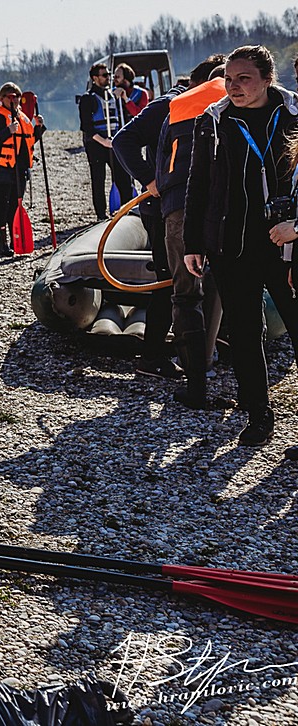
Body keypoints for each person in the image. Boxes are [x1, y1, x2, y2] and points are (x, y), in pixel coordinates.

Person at [184, 45, 298, 447]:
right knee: (247, 335)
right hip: (232, 246)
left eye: (244, 79)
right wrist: (193, 243)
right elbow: (198, 185)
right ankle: (258, 413)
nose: (234, 87)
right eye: (229, 80)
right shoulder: (213, 121)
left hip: (287, 246)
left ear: (268, 79)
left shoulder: (293, 115)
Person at [154, 56, 230, 409]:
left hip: (179, 209)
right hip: (229, 208)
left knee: (185, 296)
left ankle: (196, 386)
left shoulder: (178, 104)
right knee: (240, 292)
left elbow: (162, 164)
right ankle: (248, 391)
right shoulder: (248, 99)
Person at [112, 71, 189, 381]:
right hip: (162, 208)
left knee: (183, 279)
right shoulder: (168, 106)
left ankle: (198, 347)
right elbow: (123, 141)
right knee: (167, 280)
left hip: (189, 207)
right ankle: (152, 356)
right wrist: (149, 179)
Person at [0, 82, 44, 257]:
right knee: (1, 208)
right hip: (1, 170)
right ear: (1, 98)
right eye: (10, 96)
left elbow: (29, 141)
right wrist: (7, 131)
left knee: (15, 209)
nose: (14, 99)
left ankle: (14, 241)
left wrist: (39, 128)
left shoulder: (23, 118)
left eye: (17, 96)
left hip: (19, 171)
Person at [79, 63, 133, 220]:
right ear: (95, 78)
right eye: (104, 75)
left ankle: (127, 208)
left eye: (109, 74)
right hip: (96, 144)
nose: (108, 78)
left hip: (114, 142)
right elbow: (86, 127)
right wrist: (104, 142)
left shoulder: (114, 96)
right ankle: (101, 215)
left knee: (123, 176)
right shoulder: (87, 99)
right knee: (98, 179)